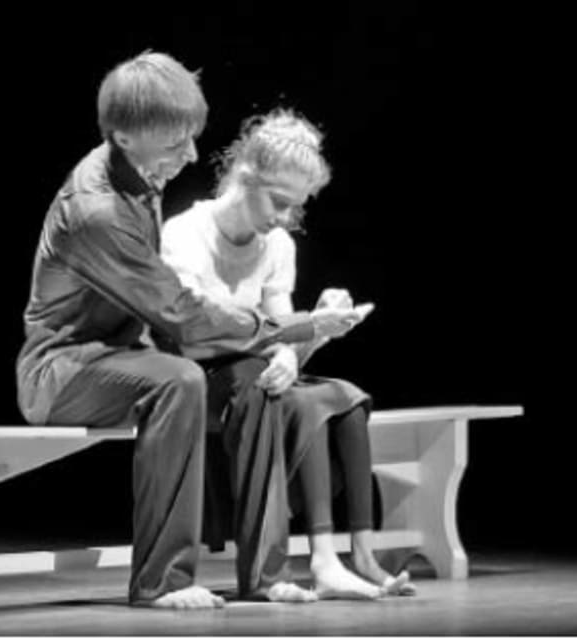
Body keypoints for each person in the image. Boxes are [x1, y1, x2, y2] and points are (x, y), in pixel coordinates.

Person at [16, 54, 363, 609]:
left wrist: (279, 346)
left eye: (192, 137)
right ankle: (162, 582)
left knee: (254, 382)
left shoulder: (139, 176)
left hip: (125, 356)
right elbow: (181, 313)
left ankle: (266, 574)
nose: (193, 155)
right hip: (61, 370)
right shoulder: (98, 211)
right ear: (124, 137)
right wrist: (296, 325)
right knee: (178, 381)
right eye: (176, 143)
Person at [161, 108, 417, 601]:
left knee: (344, 397)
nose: (284, 217)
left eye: (294, 207)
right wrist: (285, 342)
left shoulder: (277, 244)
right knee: (304, 401)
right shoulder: (186, 233)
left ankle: (358, 556)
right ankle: (320, 562)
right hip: (198, 378)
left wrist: (311, 335)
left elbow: (283, 332)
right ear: (245, 176)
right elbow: (192, 333)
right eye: (278, 202)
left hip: (254, 377)